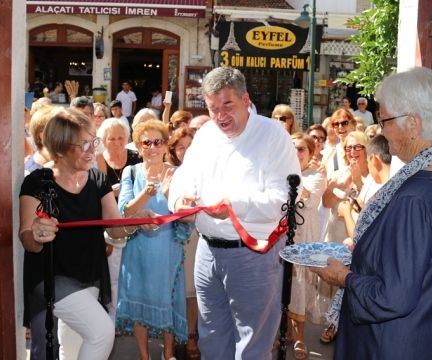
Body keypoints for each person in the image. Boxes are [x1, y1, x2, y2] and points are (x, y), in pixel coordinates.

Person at [311, 67, 432, 359]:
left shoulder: (415, 197)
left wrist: (343, 277)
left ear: (413, 124)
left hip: (396, 344)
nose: (381, 128)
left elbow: (392, 297)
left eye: (385, 119)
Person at [168, 67, 300, 359]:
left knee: (253, 345)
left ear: (246, 99)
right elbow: (184, 175)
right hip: (207, 252)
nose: (220, 116)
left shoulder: (272, 135)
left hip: (253, 254)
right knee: (212, 340)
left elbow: (285, 199)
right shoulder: (205, 135)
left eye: (228, 105)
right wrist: (178, 200)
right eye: (213, 108)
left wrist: (233, 205)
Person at [19, 108, 152, 359]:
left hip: (88, 269)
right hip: (52, 274)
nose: (93, 150)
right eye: (84, 145)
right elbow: (27, 239)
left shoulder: (97, 178)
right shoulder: (38, 182)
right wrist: (36, 233)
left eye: (94, 142)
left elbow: (114, 227)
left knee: (75, 344)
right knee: (102, 332)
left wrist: (135, 221)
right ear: (60, 148)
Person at [116, 120, 191, 360]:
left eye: (157, 141)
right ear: (138, 146)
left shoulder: (178, 173)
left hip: (168, 249)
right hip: (137, 249)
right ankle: (144, 356)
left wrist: (169, 194)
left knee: (167, 301)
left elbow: (185, 217)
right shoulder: (130, 172)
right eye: (146, 142)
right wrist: (144, 194)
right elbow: (124, 212)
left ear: (166, 144)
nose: (152, 147)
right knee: (138, 302)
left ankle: (168, 354)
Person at [288, 132, 327, 359]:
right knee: (283, 283)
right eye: (291, 148)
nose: (295, 153)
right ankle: (284, 330)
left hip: (304, 237)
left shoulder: (316, 176)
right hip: (282, 237)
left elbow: (309, 201)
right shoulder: (280, 173)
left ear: (311, 153)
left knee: (300, 284)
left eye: (301, 149)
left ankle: (300, 336)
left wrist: (291, 175)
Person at [165, 127, 200, 359]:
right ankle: (172, 339)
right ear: (174, 151)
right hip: (171, 239)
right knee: (173, 292)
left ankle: (190, 336)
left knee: (193, 293)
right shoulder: (170, 173)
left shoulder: (206, 171)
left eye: (190, 146)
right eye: (181, 147)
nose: (186, 151)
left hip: (198, 238)